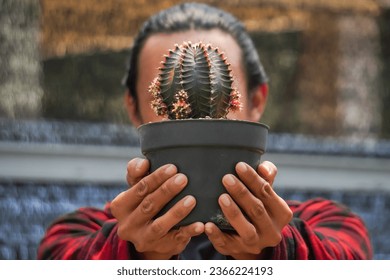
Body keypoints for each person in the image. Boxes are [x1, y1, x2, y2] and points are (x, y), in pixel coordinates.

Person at [37, 2, 373, 260]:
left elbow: (351, 262)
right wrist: (134, 254)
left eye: (221, 101)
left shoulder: (323, 221)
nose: (195, 126)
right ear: (134, 109)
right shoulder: (79, 230)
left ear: (257, 102)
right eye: (165, 104)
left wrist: (274, 250)